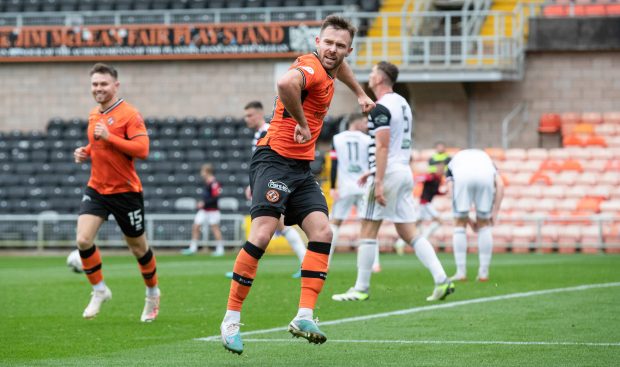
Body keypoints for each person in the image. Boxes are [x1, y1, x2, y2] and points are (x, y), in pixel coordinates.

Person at [219, 15, 375, 355]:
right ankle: (231, 319)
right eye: (328, 43)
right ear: (317, 43)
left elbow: (339, 70)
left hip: (301, 167)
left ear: (349, 49)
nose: (333, 50)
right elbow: (285, 84)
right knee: (261, 234)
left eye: (340, 46)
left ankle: (304, 315)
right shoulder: (310, 68)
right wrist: (303, 124)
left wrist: (361, 94)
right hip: (274, 157)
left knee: (323, 232)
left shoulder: (331, 65)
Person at [332, 61, 454, 303]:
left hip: (388, 174)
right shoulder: (402, 103)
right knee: (408, 231)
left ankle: (361, 288)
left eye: (372, 72)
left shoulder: (381, 107)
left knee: (367, 228)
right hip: (402, 171)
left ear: (379, 78)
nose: (369, 75)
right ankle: (442, 279)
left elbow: (383, 145)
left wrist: (377, 180)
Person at [73, 63, 160, 322]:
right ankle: (99, 290)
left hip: (125, 192)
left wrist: (110, 137)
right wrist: (85, 151)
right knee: (83, 240)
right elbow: (96, 143)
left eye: (103, 84)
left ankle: (153, 293)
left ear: (115, 85)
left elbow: (142, 149)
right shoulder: (93, 114)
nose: (98, 88)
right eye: (95, 84)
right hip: (97, 188)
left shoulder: (130, 114)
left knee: (138, 248)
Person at [240, 101, 307, 278]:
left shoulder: (268, 131)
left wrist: (259, 184)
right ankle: (304, 263)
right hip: (267, 182)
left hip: (273, 183)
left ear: (259, 114)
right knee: (275, 225)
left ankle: (305, 263)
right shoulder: (259, 133)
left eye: (250, 115)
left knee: (277, 226)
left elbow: (271, 162)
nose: (247, 119)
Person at [446, 149, 504, 282]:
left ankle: (461, 272)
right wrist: (494, 213)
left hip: (462, 176)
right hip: (485, 177)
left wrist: (464, 218)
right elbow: (500, 185)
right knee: (484, 224)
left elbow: (451, 190)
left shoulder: (452, 163)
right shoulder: (488, 162)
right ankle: (483, 273)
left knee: (459, 224)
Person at [327, 113, 375, 269]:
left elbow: (334, 164)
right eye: (364, 122)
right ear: (357, 122)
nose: (366, 125)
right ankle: (375, 264)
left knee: (335, 222)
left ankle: (325, 261)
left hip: (345, 187)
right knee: (369, 223)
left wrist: (333, 186)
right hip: (364, 185)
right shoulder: (368, 140)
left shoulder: (337, 139)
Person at [182, 164, 225, 256]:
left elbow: (215, 198)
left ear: (207, 172)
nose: (201, 173)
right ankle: (193, 248)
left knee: (215, 228)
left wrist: (204, 203)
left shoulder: (214, 183)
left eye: (203, 171)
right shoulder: (207, 182)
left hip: (213, 210)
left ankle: (220, 249)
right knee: (196, 226)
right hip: (204, 210)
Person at [415, 161, 446, 240]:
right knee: (439, 220)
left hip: (425, 203)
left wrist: (443, 193)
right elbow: (421, 178)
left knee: (418, 222)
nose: (441, 170)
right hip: (425, 203)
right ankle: (424, 237)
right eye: (440, 168)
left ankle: (400, 243)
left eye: (442, 169)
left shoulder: (438, 179)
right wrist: (418, 178)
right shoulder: (432, 177)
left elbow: (435, 191)